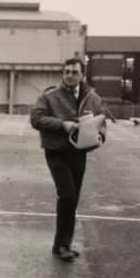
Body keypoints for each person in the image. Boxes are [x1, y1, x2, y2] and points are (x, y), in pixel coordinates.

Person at [30, 58, 111, 262]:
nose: (69, 75)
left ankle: (61, 244)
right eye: (66, 72)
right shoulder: (49, 95)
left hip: (79, 152)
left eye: (74, 72)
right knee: (67, 195)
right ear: (62, 74)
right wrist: (62, 125)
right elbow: (36, 119)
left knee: (72, 199)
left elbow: (101, 119)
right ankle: (63, 245)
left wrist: (100, 136)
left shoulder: (92, 97)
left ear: (82, 75)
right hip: (56, 151)